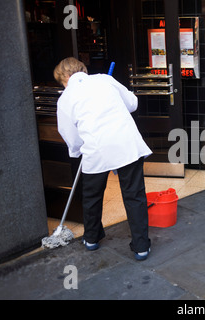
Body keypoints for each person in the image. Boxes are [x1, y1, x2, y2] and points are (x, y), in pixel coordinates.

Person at [54, 57, 152, 260]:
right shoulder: (104, 80)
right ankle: (141, 247)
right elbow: (132, 103)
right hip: (126, 144)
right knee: (134, 196)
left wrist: (77, 150)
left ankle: (91, 238)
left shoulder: (65, 99)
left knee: (92, 196)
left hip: (95, 149)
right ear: (82, 70)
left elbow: (69, 134)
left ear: (65, 77)